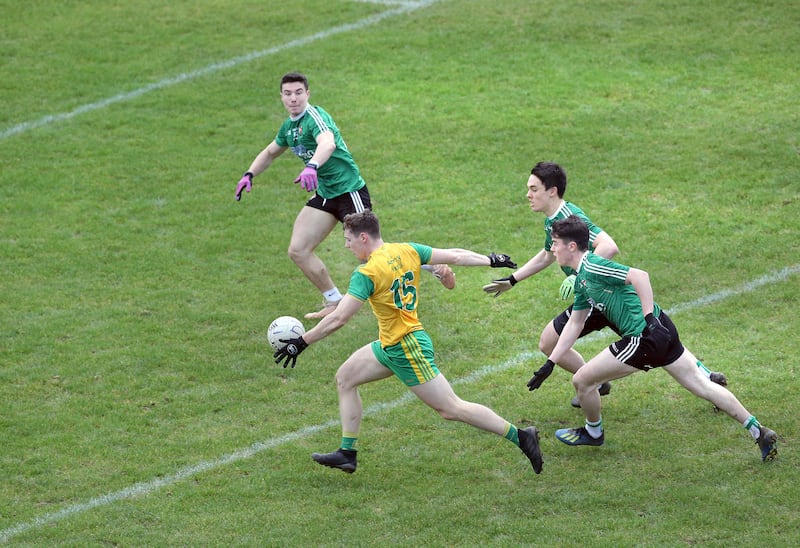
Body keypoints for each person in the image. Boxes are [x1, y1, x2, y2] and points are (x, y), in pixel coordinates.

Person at [272, 210, 543, 474]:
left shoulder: (366, 273)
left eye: (348, 239)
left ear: (364, 237)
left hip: (407, 348)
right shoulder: (407, 250)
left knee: (451, 408)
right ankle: (347, 453)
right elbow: (457, 255)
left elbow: (339, 318)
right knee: (345, 378)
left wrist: (302, 342)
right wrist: (491, 259)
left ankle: (521, 436)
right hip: (390, 344)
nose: (346, 245)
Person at [483, 162, 726, 407]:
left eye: (534, 189)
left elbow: (609, 245)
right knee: (550, 342)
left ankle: (706, 381)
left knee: (654, 341)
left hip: (603, 295)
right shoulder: (553, 220)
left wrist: (580, 275)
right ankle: (596, 383)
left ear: (552, 191)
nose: (528, 194)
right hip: (591, 296)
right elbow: (547, 254)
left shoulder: (570, 217)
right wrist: (513, 280)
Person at [542, 215, 777, 462]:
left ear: (571, 246)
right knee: (700, 383)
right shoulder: (581, 279)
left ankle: (593, 432)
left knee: (582, 381)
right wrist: (550, 362)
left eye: (555, 243)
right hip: (663, 326)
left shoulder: (592, 265)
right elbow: (576, 323)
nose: (552, 248)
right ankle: (758, 431)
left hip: (644, 337)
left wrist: (648, 320)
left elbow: (639, 276)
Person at [234, 72, 454, 319]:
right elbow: (271, 152)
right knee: (298, 249)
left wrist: (312, 166)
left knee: (374, 253)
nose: (293, 98)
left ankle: (433, 264)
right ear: (281, 97)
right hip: (327, 194)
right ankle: (333, 301)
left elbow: (327, 143)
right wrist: (249, 173)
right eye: (288, 93)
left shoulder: (315, 117)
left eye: (298, 92)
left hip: (349, 191)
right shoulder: (289, 127)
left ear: (307, 94)